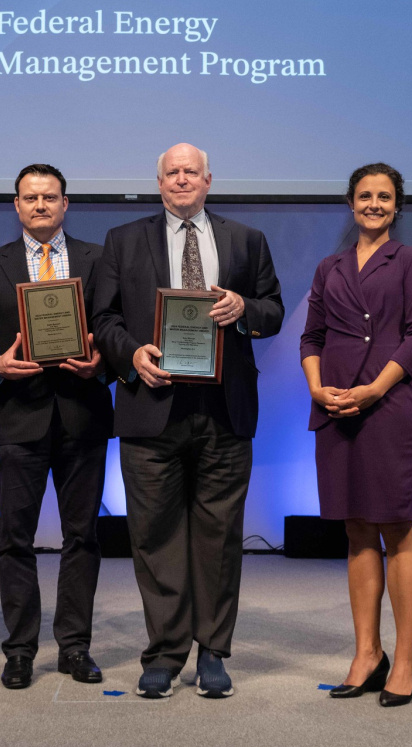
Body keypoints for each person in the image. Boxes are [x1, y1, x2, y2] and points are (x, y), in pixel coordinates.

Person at [93, 143, 284, 699]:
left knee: (219, 538)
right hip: (150, 408)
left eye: (191, 171)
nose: (181, 179)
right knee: (154, 537)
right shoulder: (123, 240)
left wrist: (244, 309)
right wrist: (131, 354)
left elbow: (273, 309)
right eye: (172, 172)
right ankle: (164, 653)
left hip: (225, 410)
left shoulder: (247, 239)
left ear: (208, 181)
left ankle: (213, 652)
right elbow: (103, 318)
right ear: (159, 183)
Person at [0, 163, 113, 690]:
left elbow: (114, 327)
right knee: (14, 539)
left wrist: (103, 363)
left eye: (50, 197)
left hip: (83, 415)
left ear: (65, 204)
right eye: (31, 197)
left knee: (83, 537)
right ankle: (20, 650)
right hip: (19, 417)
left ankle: (75, 647)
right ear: (17, 205)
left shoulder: (99, 258)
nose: (41, 205)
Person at [300, 162, 412, 707]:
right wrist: (317, 389)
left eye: (383, 196)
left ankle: (405, 658)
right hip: (336, 409)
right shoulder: (328, 266)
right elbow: (311, 337)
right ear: (350, 203)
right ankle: (367, 653)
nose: (373, 204)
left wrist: (375, 389)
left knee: (396, 527)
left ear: (397, 206)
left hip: (389, 406)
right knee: (356, 529)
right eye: (364, 196)